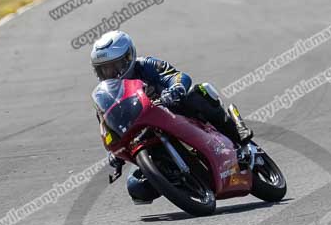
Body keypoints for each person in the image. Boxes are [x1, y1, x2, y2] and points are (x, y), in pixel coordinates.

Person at [90, 30, 253, 203]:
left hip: (173, 112)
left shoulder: (146, 65)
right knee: (135, 187)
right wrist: (115, 153)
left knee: (199, 93)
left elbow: (178, 76)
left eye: (115, 66)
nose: (110, 73)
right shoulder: (106, 95)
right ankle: (184, 183)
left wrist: (176, 88)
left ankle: (235, 130)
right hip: (145, 135)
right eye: (104, 69)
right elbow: (109, 126)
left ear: (129, 57)